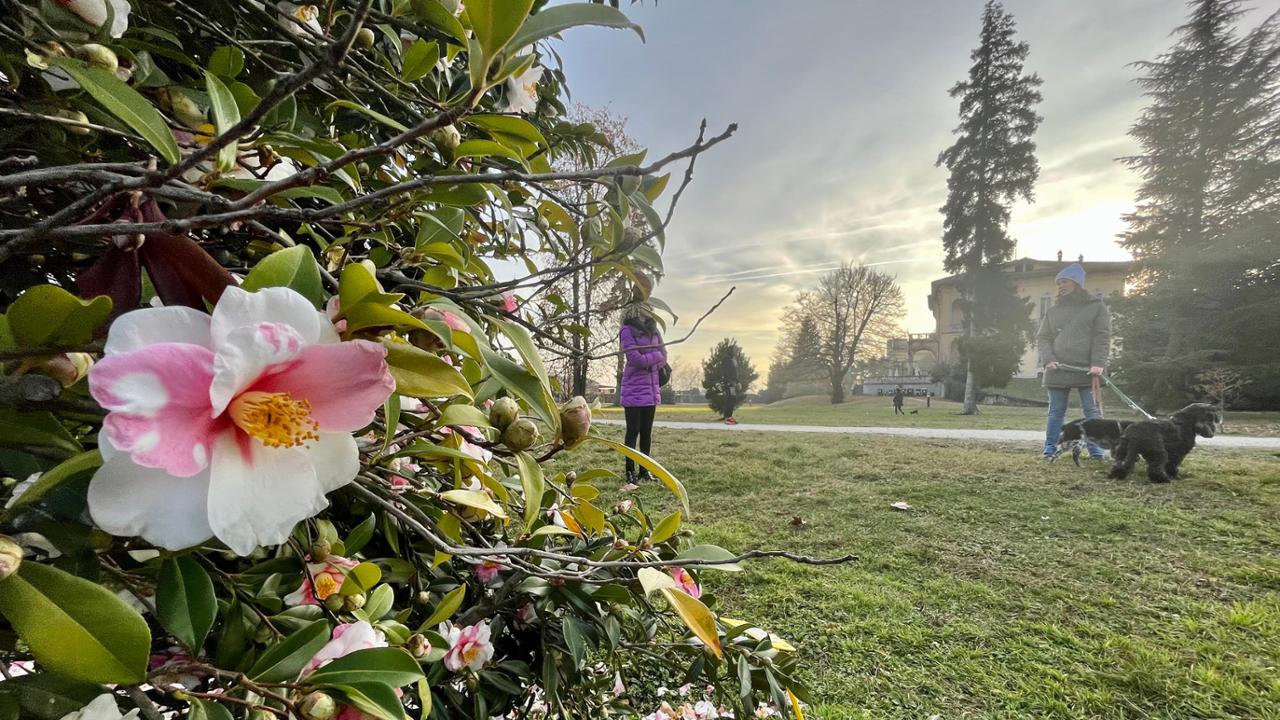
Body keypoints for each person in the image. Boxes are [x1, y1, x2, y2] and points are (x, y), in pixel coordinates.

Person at [1037, 262, 1111, 461]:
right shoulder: (1053, 311)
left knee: (1092, 412)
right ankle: (1050, 449)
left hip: (1088, 370)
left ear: (1077, 283)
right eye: (1058, 283)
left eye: (1064, 282)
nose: (1060, 286)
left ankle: (1096, 451)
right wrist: (1049, 359)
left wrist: (1098, 363)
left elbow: (1102, 337)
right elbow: (1043, 337)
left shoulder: (1096, 307)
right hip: (1058, 369)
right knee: (1055, 412)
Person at [619, 304, 666, 483]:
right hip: (634, 388)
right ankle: (630, 472)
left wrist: (651, 359)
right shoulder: (627, 330)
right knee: (633, 431)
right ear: (638, 308)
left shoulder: (655, 330)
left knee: (647, 432)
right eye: (647, 305)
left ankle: (644, 471)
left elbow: (664, 354)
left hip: (651, 389)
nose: (652, 308)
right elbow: (634, 358)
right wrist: (654, 358)